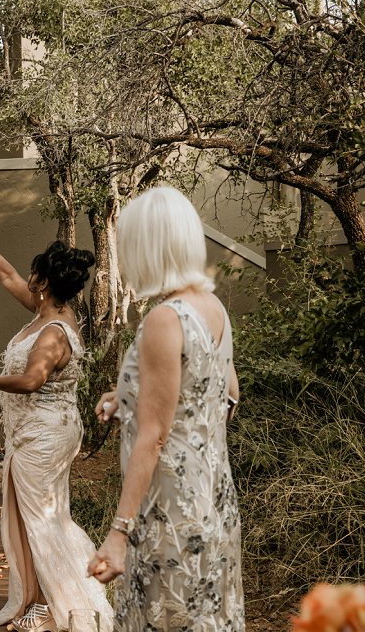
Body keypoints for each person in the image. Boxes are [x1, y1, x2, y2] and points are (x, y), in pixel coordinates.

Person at [87, 186, 244, 629]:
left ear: (148, 248)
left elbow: (154, 436)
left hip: (168, 513)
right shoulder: (213, 308)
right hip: (212, 500)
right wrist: (126, 400)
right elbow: (226, 395)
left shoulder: (165, 318)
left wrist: (118, 534)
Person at [0, 210, 113, 632]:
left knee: (43, 519)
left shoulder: (52, 333)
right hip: (42, 431)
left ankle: (54, 605)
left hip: (44, 436)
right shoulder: (50, 312)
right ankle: (39, 595)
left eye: (33, 272)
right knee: (41, 516)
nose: (26, 276)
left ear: (42, 282)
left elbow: (31, 380)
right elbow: (8, 277)